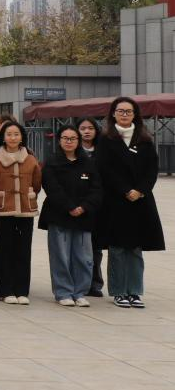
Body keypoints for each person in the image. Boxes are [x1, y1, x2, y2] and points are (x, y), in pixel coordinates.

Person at [95, 97, 165, 308]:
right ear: (113, 114)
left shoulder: (144, 139)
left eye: (128, 111)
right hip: (116, 200)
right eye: (120, 111)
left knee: (135, 249)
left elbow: (152, 169)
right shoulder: (106, 139)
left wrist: (141, 190)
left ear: (135, 114)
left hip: (140, 201)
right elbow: (104, 169)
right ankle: (118, 291)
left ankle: (134, 291)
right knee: (117, 248)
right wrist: (125, 190)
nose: (124, 114)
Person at [40, 124, 102, 307]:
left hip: (84, 217)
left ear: (78, 141)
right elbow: (52, 187)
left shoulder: (88, 163)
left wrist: (84, 207)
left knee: (84, 257)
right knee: (61, 256)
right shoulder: (52, 162)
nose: (69, 142)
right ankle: (63, 291)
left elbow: (97, 189)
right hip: (59, 215)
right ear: (59, 140)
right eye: (65, 138)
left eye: (73, 138)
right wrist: (69, 207)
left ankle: (80, 292)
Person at [0, 120, 42, 306]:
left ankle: (21, 290)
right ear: (3, 137)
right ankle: (5, 289)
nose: (12, 137)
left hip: (25, 209)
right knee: (4, 249)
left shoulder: (31, 159)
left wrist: (29, 194)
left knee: (23, 249)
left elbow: (37, 183)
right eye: (9, 134)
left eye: (16, 134)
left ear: (22, 137)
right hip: (3, 208)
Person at [77, 116, 106, 297]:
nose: (87, 131)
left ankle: (94, 283)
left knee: (95, 247)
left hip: (97, 206)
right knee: (78, 247)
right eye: (82, 128)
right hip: (77, 205)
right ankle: (79, 282)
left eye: (90, 128)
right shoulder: (72, 151)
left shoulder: (103, 152)